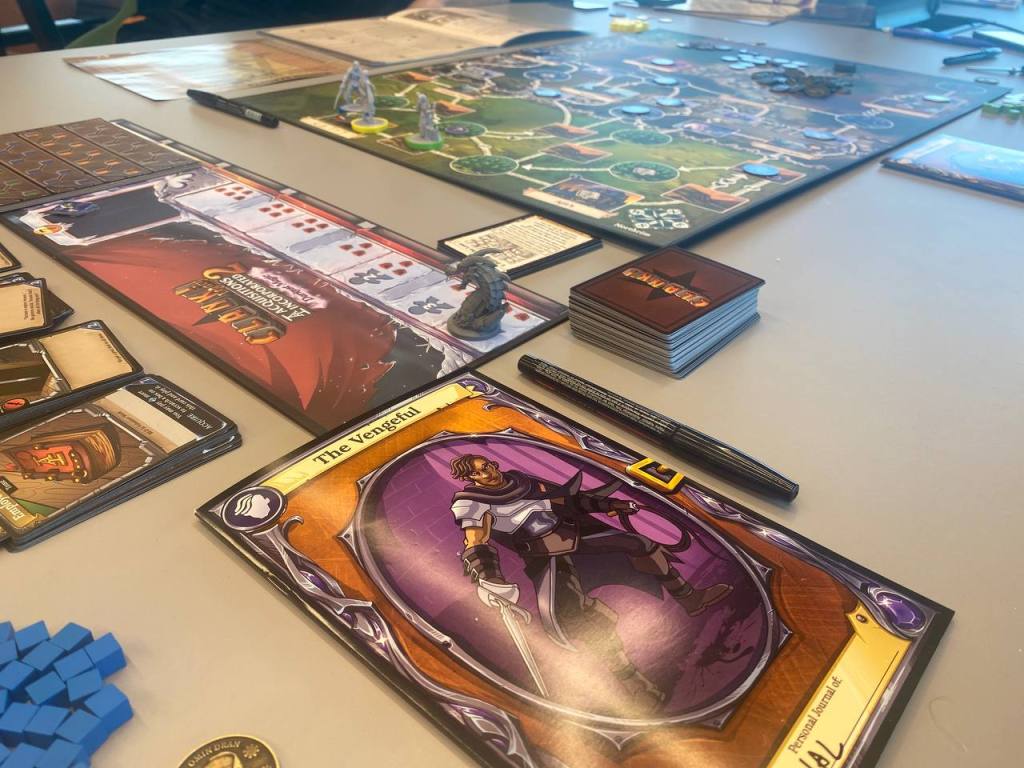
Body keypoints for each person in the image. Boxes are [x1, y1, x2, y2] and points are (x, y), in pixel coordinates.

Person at [450, 453, 732, 712]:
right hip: (544, 558)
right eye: (480, 471)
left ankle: (690, 598)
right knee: (580, 616)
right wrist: (490, 580)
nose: (490, 472)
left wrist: (609, 505)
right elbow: (476, 541)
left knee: (641, 544)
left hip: (572, 536)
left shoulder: (522, 482)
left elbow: (568, 501)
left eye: (489, 465)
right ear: (470, 478)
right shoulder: (472, 503)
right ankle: (635, 683)